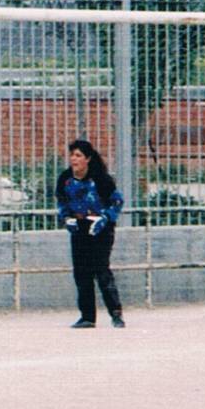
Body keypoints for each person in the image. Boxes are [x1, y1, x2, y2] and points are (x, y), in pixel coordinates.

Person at [55, 139, 126, 329]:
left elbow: (117, 202)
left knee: (101, 270)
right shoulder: (65, 179)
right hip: (79, 228)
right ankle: (87, 316)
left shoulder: (101, 179)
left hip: (100, 228)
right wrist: (66, 219)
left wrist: (105, 218)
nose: (73, 159)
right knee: (81, 272)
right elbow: (62, 203)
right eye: (72, 155)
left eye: (78, 155)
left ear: (88, 159)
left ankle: (116, 314)